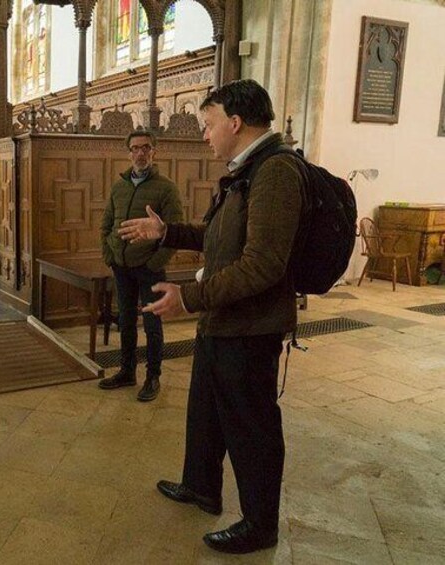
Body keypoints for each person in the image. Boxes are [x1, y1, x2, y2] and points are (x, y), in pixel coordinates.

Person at [118, 79, 303, 554]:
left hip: (250, 327)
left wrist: (191, 297)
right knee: (205, 411)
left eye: (209, 123)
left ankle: (261, 525)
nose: (205, 134)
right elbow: (219, 238)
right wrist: (168, 232)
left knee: (251, 427)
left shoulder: (275, 172)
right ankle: (201, 485)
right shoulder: (245, 170)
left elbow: (263, 264)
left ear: (235, 123)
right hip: (223, 322)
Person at [99, 131, 183, 401]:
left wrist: (154, 262)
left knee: (152, 323)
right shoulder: (119, 186)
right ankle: (126, 371)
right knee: (125, 320)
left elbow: (175, 231)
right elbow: (106, 224)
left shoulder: (166, 188)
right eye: (135, 148)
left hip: (149, 268)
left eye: (146, 148)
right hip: (121, 266)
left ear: (154, 152)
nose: (140, 153)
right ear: (128, 153)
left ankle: (153, 376)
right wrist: (110, 254)